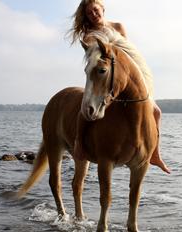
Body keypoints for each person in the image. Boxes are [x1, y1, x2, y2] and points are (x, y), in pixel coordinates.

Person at [69, 0, 170, 174]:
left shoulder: (118, 27)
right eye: (89, 13)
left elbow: (127, 54)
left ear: (102, 8)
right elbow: (96, 59)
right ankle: (79, 143)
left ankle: (154, 153)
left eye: (95, 10)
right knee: (86, 108)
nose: (93, 14)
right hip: (101, 78)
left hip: (122, 76)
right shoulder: (89, 35)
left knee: (156, 112)